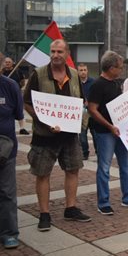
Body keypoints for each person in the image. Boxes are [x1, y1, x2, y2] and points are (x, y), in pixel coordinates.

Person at [23, 39, 91, 231]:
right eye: (52, 51)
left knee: (73, 170)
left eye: (60, 52)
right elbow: (27, 102)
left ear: (67, 53)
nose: (55, 55)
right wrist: (44, 120)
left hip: (69, 135)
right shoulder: (38, 74)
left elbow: (80, 100)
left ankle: (70, 208)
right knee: (43, 173)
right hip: (45, 136)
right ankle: (44, 214)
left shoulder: (75, 75)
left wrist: (80, 115)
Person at [88, 52, 128, 215]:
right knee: (104, 167)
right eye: (119, 67)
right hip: (105, 132)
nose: (121, 70)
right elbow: (92, 109)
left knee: (125, 164)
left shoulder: (117, 83)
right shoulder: (98, 84)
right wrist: (109, 126)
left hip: (121, 130)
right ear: (111, 68)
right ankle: (103, 202)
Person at [0, 66, 24, 249]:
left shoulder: (10, 86)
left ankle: (9, 232)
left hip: (5, 148)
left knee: (7, 191)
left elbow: (18, 114)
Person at [2, 57, 29, 135]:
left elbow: (22, 81)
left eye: (9, 62)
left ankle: (22, 128)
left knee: (19, 109)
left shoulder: (17, 71)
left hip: (15, 94)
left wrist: (18, 88)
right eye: (6, 62)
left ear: (12, 63)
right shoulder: (2, 72)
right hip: (5, 95)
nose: (7, 63)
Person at [77, 63, 96, 160]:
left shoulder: (93, 82)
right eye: (81, 70)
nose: (83, 72)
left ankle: (98, 152)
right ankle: (85, 153)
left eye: (85, 70)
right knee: (82, 135)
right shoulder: (75, 82)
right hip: (81, 113)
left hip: (92, 113)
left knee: (95, 134)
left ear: (87, 71)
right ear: (77, 71)